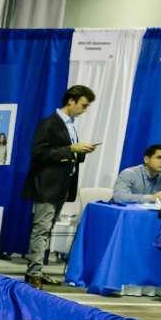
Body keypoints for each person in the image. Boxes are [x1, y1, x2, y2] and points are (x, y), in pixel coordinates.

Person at [22, 85, 96, 289]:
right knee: (42, 229)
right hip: (47, 186)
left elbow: (65, 152)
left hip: (62, 186)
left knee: (48, 229)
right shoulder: (50, 123)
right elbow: (39, 153)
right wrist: (71, 148)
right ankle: (33, 273)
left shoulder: (70, 125)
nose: (84, 110)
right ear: (71, 101)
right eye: (83, 105)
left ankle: (37, 270)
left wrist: (80, 151)